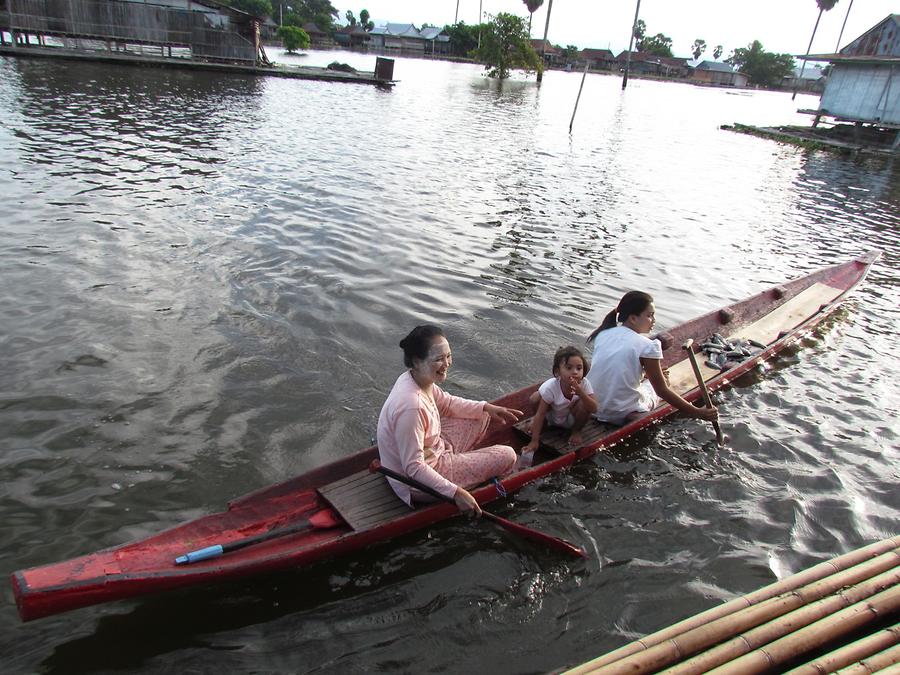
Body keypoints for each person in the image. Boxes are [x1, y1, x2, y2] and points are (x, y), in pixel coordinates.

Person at [377, 325, 523, 517]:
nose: (446, 363)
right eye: (438, 359)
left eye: (448, 356)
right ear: (417, 361)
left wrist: (486, 407)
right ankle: (464, 477)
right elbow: (413, 467)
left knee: (481, 415)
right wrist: (456, 493)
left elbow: (446, 403)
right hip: (416, 482)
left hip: (434, 450)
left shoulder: (416, 379)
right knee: (508, 455)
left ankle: (460, 465)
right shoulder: (411, 406)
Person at [585, 291, 718, 426]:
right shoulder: (648, 346)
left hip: (592, 406)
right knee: (662, 384)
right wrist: (697, 412)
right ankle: (633, 411)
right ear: (633, 318)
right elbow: (662, 390)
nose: (654, 320)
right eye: (649, 316)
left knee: (645, 381)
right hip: (619, 412)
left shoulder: (603, 334)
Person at [523, 346, 597, 454]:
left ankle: (576, 431)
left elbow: (594, 409)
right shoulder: (551, 387)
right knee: (536, 397)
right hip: (552, 417)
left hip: (571, 421)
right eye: (569, 368)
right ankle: (542, 424)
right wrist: (534, 441)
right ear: (558, 372)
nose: (575, 372)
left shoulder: (585, 383)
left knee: (583, 404)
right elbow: (540, 413)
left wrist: (581, 393)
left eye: (579, 368)